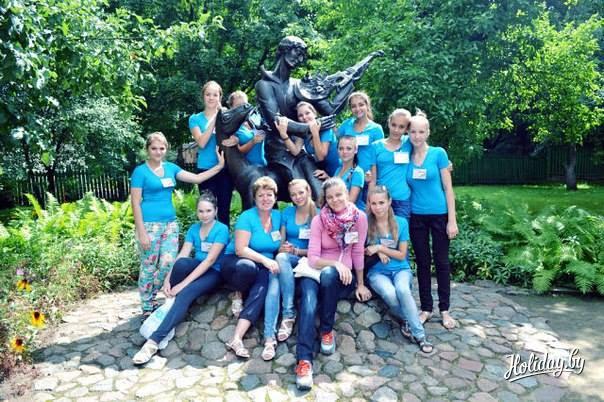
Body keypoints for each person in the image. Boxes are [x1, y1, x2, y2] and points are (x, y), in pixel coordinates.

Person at [131, 132, 224, 317]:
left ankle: (153, 294)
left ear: (166, 149)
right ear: (148, 150)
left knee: (168, 263)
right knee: (149, 265)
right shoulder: (140, 172)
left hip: (170, 224)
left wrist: (219, 166)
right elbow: (135, 202)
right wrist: (141, 232)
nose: (158, 152)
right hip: (148, 225)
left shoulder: (171, 168)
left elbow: (197, 179)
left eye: (162, 148)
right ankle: (147, 305)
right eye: (154, 148)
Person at [132, 191, 229, 364]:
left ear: (215, 211)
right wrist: (168, 279)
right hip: (196, 267)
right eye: (201, 211)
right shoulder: (194, 229)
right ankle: (171, 305)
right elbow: (183, 254)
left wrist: (182, 285)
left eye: (208, 211)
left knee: (185, 293)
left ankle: (153, 343)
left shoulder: (221, 229)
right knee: (182, 263)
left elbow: (209, 260)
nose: (204, 215)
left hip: (214, 272)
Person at [295, 177, 371, 390]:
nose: (335, 200)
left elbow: (358, 251)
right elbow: (312, 258)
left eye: (339, 195)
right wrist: (336, 264)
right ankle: (304, 361)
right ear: (325, 200)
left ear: (347, 194)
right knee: (308, 303)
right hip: (315, 271)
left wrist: (360, 283)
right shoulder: (319, 220)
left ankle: (326, 330)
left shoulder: (359, 218)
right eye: (330, 197)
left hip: (340, 279)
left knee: (329, 275)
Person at [365, 186, 433, 353]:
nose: (378, 207)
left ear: (389, 202)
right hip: (377, 271)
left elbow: (402, 255)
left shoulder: (401, 222)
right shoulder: (366, 223)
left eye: (381, 202)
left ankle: (419, 335)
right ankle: (408, 319)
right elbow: (363, 249)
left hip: (400, 269)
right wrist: (375, 250)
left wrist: (380, 248)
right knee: (390, 293)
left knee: (402, 290)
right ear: (369, 204)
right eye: (374, 203)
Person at [406, 111, 458, 330]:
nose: (417, 136)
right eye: (413, 132)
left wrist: (452, 220)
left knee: (442, 262)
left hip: (439, 215)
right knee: (423, 262)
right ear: (408, 133)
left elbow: (448, 188)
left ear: (428, 132)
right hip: (416, 216)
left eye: (421, 132)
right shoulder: (405, 154)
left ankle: (445, 310)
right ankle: (426, 308)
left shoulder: (438, 154)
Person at [221, 176, 282, 358]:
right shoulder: (247, 217)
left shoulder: (278, 217)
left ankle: (236, 338)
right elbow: (240, 249)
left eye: (269, 195)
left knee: (261, 291)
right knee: (247, 267)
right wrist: (265, 261)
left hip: (263, 266)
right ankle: (237, 291)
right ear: (254, 198)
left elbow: (280, 243)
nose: (265, 199)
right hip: (237, 263)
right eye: (260, 195)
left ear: (275, 197)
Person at [262, 179, 318, 361]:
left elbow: (322, 250)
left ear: (308, 191)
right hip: (288, 258)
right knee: (274, 277)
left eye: (301, 192)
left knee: (280, 261)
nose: (297, 197)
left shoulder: (318, 214)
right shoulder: (287, 212)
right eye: (293, 195)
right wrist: (284, 248)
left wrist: (297, 251)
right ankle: (269, 336)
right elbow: (281, 244)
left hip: (308, 259)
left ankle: (288, 312)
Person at [189, 80, 233, 225]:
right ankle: (207, 238)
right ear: (203, 96)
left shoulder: (227, 115)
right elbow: (202, 142)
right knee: (207, 210)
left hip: (224, 169)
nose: (211, 98)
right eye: (208, 94)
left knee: (224, 211)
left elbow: (238, 134)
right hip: (205, 169)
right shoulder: (195, 119)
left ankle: (224, 239)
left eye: (215, 95)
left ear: (220, 97)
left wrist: (236, 139)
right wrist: (215, 118)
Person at [337, 92, 384, 210]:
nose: (357, 109)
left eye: (361, 104)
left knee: (366, 212)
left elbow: (379, 156)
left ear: (367, 105)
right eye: (354, 106)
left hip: (368, 179)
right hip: (349, 178)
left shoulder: (376, 129)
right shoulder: (346, 125)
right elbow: (338, 144)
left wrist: (373, 180)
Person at [369, 108, 413, 219]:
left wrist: (445, 165)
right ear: (388, 123)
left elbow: (424, 152)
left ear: (407, 129)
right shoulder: (375, 146)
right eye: (394, 125)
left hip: (402, 199)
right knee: (380, 229)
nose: (396, 130)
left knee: (401, 228)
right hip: (380, 199)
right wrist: (369, 201)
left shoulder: (409, 142)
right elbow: (373, 179)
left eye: (401, 127)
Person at [314, 135, 364, 207]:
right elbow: (337, 187)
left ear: (355, 150)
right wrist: (328, 178)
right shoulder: (338, 169)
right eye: (341, 148)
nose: (344, 152)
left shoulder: (357, 172)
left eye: (349, 148)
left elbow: (350, 203)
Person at [228, 91, 267, 167]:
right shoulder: (232, 127)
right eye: (239, 106)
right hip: (247, 169)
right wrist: (253, 141)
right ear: (231, 108)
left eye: (245, 105)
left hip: (263, 166)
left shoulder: (256, 120)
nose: (243, 108)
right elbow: (237, 152)